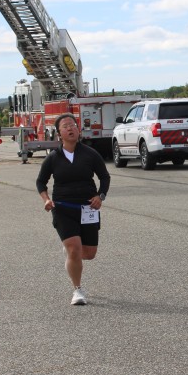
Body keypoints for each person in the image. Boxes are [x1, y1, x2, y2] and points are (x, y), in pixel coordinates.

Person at [36, 113, 110, 306]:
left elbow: (104, 177)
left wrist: (100, 196)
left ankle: (70, 251)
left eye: (73, 125)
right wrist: (46, 200)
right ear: (59, 133)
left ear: (78, 130)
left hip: (88, 209)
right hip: (63, 208)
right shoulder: (53, 158)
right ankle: (78, 290)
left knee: (89, 253)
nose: (70, 128)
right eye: (65, 126)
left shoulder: (90, 154)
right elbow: (41, 182)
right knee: (75, 249)